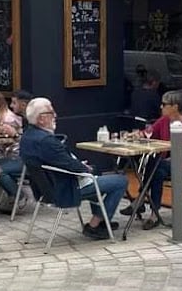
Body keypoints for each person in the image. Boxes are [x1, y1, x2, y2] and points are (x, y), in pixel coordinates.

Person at [19, 97, 127, 240]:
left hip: (45, 189)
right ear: (41, 119)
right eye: (51, 112)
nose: (55, 115)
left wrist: (83, 167)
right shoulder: (47, 141)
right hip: (64, 189)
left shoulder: (27, 136)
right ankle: (94, 226)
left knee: (96, 171)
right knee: (120, 181)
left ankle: (102, 221)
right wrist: (84, 168)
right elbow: (71, 166)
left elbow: (61, 162)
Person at [140, 90, 182, 229]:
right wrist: (137, 134)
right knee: (157, 170)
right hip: (164, 164)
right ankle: (153, 213)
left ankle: (142, 201)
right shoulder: (164, 121)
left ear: (175, 107)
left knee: (155, 165)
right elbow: (150, 132)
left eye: (164, 104)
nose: (161, 107)